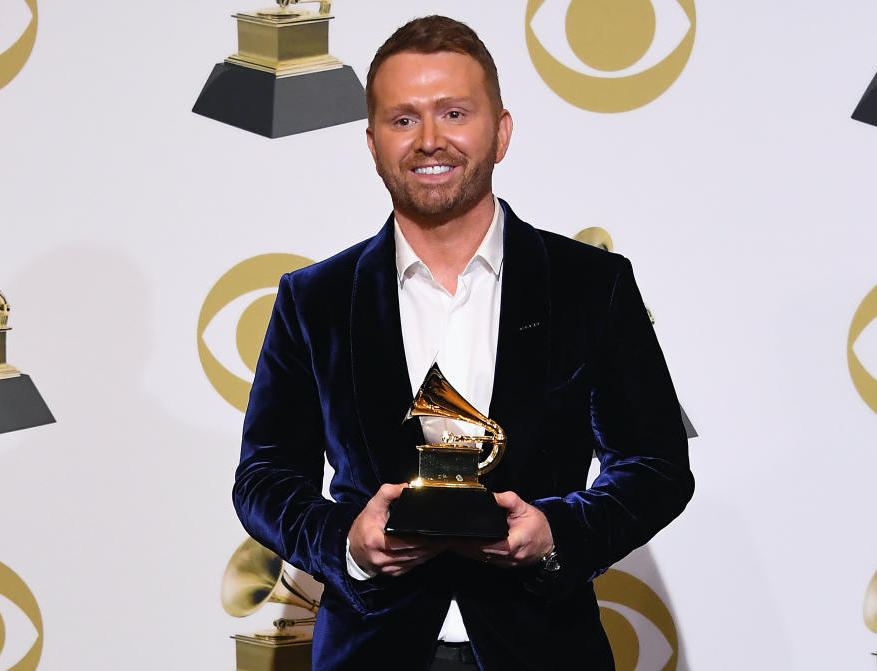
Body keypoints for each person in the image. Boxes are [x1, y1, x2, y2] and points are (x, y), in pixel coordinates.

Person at [234, 15, 694, 671]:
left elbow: (655, 465)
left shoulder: (593, 285)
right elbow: (264, 475)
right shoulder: (315, 299)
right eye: (403, 119)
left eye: (454, 112)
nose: (429, 140)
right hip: (370, 652)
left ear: (500, 131)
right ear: (371, 142)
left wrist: (558, 532)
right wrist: (349, 541)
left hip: (544, 647)